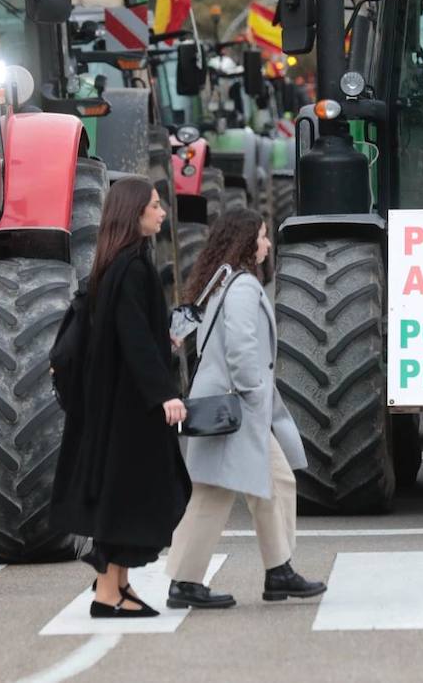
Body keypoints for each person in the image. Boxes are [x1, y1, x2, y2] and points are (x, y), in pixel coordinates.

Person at [165, 209, 325, 610]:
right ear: (246, 242)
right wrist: (254, 390)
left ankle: (279, 571)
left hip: (233, 408)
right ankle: (185, 582)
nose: (267, 244)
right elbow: (240, 345)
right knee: (214, 493)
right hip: (237, 409)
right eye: (263, 237)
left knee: (274, 482)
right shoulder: (240, 287)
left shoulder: (220, 281)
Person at [51, 176, 191, 618]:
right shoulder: (131, 266)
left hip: (117, 405)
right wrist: (164, 393)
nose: (161, 212)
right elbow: (133, 340)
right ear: (134, 212)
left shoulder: (116, 263)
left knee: (124, 496)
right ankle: (107, 593)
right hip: (130, 410)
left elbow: (131, 335)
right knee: (127, 499)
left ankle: (119, 586)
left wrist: (161, 339)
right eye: (154, 205)